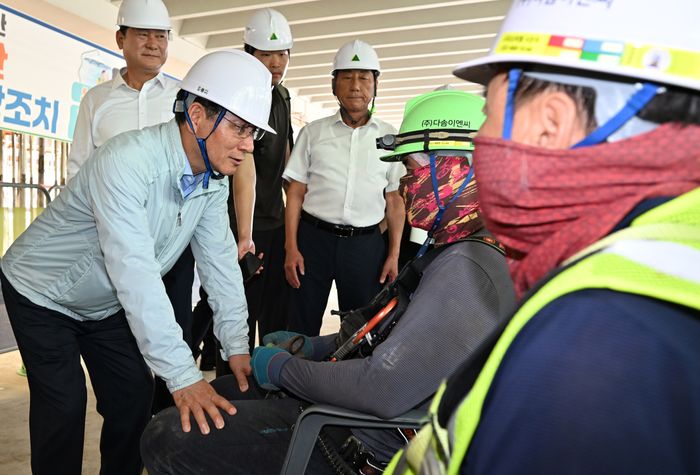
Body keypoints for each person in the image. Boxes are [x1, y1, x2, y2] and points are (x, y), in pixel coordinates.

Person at [387, 1, 700, 473]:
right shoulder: (660, 260)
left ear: (551, 124)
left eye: (489, 116)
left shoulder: (593, 341)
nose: (480, 142)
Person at [140, 89, 516, 474]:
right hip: (349, 414)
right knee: (221, 391)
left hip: (357, 441)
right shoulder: (451, 249)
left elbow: (382, 387)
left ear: (461, 168)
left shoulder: (469, 269)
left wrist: (283, 369)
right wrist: (311, 347)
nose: (405, 186)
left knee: (169, 436)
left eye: (412, 170)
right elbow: (381, 334)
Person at [1, 50, 275, 475]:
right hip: (42, 291)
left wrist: (237, 344)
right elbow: (136, 273)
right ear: (197, 116)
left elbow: (220, 263)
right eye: (239, 128)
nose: (248, 145)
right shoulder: (126, 161)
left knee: (132, 396)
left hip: (102, 300)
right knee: (64, 404)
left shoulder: (212, 179)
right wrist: (184, 376)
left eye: (252, 132)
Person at [65, 0, 258, 412]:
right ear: (121, 38)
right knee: (125, 359)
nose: (153, 43)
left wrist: (236, 341)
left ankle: (169, 415)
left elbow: (219, 252)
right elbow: (79, 168)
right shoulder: (97, 101)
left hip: (173, 243)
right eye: (143, 34)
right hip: (115, 243)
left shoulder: (188, 99)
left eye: (161, 35)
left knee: (175, 332)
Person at [192, 8, 295, 366]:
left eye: (281, 54)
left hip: (273, 219)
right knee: (233, 308)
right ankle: (224, 377)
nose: (275, 63)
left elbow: (286, 159)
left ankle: (265, 378)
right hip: (240, 221)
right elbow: (244, 172)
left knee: (270, 310)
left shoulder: (282, 97)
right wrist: (245, 235)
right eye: (266, 54)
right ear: (250, 53)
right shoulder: (243, 95)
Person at [283, 39, 405, 336]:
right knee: (301, 325)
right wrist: (291, 247)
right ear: (333, 85)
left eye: (364, 78)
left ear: (375, 85)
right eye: (347, 77)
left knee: (360, 331)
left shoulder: (390, 138)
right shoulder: (313, 133)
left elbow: (394, 200)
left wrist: (393, 254)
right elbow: (295, 192)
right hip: (312, 242)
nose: (355, 86)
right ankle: (296, 369)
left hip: (364, 247)